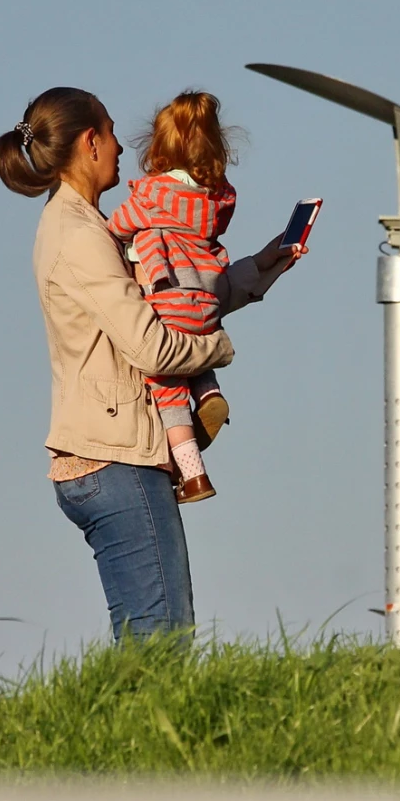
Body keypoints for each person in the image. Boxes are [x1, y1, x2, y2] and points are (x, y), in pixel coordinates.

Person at [0, 86, 304, 642]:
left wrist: (263, 266)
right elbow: (156, 348)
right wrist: (219, 350)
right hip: (115, 460)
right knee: (163, 637)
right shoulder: (81, 235)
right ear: (91, 142)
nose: (120, 148)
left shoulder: (88, 225)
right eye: (111, 133)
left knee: (153, 633)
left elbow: (176, 299)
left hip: (108, 456)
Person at [108, 90, 237, 505]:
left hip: (166, 302)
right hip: (206, 302)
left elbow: (116, 225)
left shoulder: (151, 196)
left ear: (159, 148)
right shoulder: (213, 202)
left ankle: (194, 475)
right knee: (194, 349)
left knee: (168, 392)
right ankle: (210, 394)